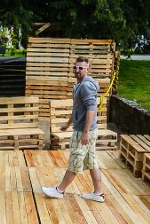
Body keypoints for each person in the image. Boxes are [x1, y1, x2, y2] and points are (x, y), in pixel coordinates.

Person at [41, 57, 104, 202]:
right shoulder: (78, 85)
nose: (77, 70)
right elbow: (78, 109)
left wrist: (86, 132)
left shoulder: (86, 86)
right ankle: (98, 193)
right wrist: (68, 124)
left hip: (84, 131)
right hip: (85, 129)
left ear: (87, 69)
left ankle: (59, 190)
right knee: (92, 161)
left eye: (81, 68)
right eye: (75, 67)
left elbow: (91, 109)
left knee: (75, 160)